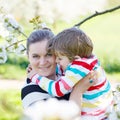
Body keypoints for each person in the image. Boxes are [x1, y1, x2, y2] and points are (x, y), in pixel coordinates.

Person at [29, 27, 113, 119]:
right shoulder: (86, 62)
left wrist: (35, 76)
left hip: (95, 116)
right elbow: (64, 72)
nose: (56, 61)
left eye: (60, 58)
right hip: (103, 111)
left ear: (75, 59)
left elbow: (58, 90)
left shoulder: (79, 68)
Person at [21, 28, 97, 109]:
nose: (42, 62)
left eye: (49, 54)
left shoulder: (67, 73)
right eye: (36, 56)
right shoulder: (31, 92)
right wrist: (78, 90)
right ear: (28, 57)